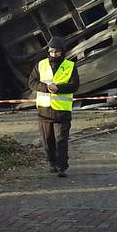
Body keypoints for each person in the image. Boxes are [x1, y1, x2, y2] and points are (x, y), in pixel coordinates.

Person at [27, 37, 80, 177]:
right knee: (48, 140)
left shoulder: (70, 66)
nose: (54, 54)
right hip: (44, 110)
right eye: (51, 51)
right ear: (48, 51)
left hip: (62, 111)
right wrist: (46, 88)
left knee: (61, 139)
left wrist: (59, 88)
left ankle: (62, 166)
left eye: (57, 52)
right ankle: (52, 162)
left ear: (62, 52)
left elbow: (74, 85)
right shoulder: (40, 65)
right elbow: (32, 82)